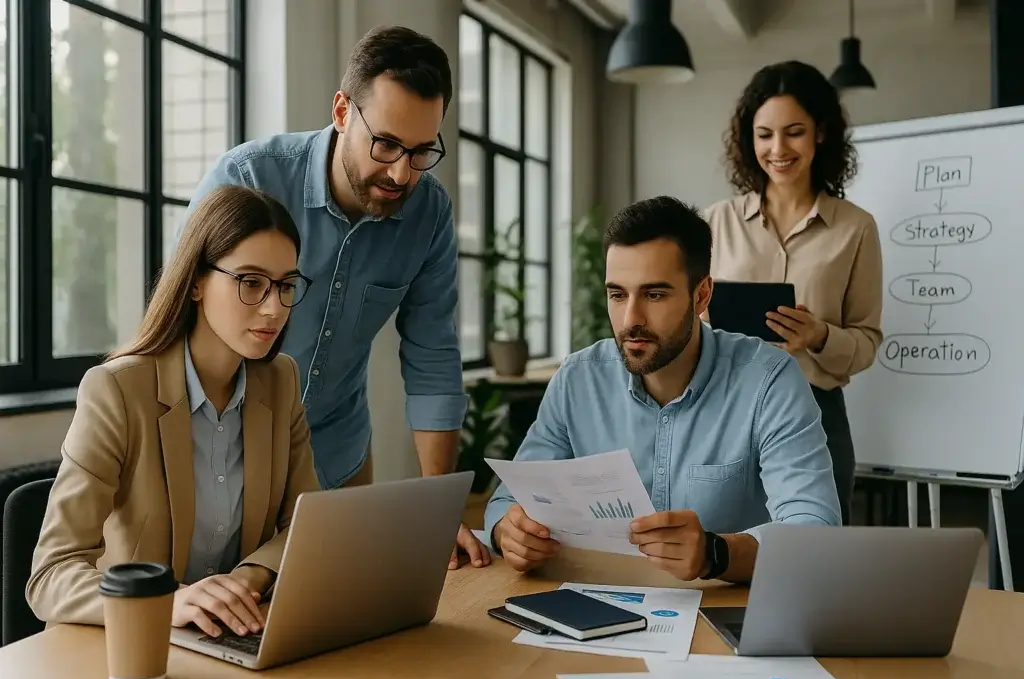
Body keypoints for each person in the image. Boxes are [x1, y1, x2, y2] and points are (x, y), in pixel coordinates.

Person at [175, 25, 488, 570]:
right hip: (223, 458)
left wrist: (439, 510)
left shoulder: (428, 213)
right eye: (386, 144)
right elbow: (180, 316)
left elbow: (432, 354)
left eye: (420, 152)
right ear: (343, 111)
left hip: (337, 456)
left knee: (341, 628)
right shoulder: (249, 178)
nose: (400, 173)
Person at [483, 197, 841, 583]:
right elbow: (508, 499)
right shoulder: (577, 379)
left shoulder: (770, 380)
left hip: (723, 612)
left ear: (701, 295)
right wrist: (509, 532)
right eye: (617, 295)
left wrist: (716, 553)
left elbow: (814, 529)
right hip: (595, 606)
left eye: (654, 295)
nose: (630, 319)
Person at [27, 185, 322, 639]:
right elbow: (51, 574)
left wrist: (247, 578)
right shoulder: (117, 391)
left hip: (233, 637)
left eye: (285, 286)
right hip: (132, 647)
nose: (273, 308)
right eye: (251, 282)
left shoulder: (281, 382)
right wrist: (167, 600)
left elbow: (307, 525)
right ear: (198, 282)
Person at [702, 61, 883, 525]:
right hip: (725, 412)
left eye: (794, 132)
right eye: (764, 134)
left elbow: (867, 341)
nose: (777, 149)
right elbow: (687, 317)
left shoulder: (856, 228)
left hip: (818, 413)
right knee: (725, 556)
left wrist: (819, 336)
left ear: (821, 133)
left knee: (818, 563)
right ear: (750, 139)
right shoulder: (714, 222)